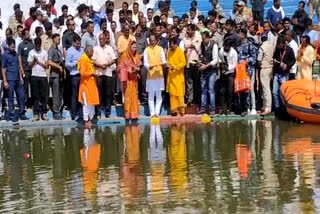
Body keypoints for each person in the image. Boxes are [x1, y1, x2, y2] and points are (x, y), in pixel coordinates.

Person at [2, 39, 28, 122]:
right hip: (10, 79)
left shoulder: (16, 54)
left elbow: (18, 66)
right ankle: (12, 114)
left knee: (21, 96)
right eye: (12, 47)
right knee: (11, 98)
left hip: (17, 78)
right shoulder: (5, 55)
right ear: (8, 46)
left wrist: (20, 77)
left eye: (14, 47)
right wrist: (5, 81)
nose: (13, 48)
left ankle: (21, 113)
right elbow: (3, 68)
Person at [92, 33, 117, 118]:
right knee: (99, 93)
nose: (101, 40)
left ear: (105, 39)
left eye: (102, 39)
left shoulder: (109, 48)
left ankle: (107, 112)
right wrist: (100, 66)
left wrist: (106, 65)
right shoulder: (95, 49)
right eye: (100, 39)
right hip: (99, 73)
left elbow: (114, 59)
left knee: (108, 93)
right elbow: (93, 61)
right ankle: (98, 112)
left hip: (108, 72)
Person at [236, 28, 258, 116]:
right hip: (240, 71)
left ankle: (253, 107)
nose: (238, 35)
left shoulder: (250, 45)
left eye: (240, 34)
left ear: (244, 35)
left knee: (250, 88)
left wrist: (246, 62)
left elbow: (254, 57)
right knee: (242, 89)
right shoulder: (238, 45)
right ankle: (245, 107)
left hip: (249, 69)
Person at [144, 35, 166, 117]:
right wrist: (148, 66)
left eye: (153, 40)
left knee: (159, 95)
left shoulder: (160, 49)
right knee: (151, 96)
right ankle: (152, 113)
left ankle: (157, 112)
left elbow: (164, 60)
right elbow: (145, 62)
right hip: (150, 75)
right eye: (151, 40)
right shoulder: (147, 50)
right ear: (149, 41)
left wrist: (164, 64)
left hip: (159, 74)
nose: (152, 42)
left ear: (156, 40)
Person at [118, 40, 141, 119]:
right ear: (129, 47)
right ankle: (128, 114)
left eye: (135, 47)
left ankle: (134, 114)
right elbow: (121, 67)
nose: (134, 49)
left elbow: (138, 64)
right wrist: (129, 70)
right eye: (133, 47)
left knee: (134, 96)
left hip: (134, 79)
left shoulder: (136, 55)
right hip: (127, 79)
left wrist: (136, 69)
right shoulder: (124, 56)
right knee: (128, 96)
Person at [78, 45, 99, 128]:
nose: (93, 52)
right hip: (85, 86)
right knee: (86, 104)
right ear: (87, 52)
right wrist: (92, 73)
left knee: (92, 103)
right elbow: (82, 73)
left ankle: (90, 119)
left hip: (91, 85)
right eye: (92, 51)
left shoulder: (89, 60)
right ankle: (86, 120)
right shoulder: (83, 60)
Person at [28, 37, 49, 121]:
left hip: (43, 76)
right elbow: (29, 65)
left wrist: (39, 62)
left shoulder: (44, 53)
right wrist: (34, 61)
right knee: (35, 96)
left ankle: (44, 113)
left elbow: (46, 66)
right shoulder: (31, 52)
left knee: (44, 95)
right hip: (34, 75)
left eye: (39, 45)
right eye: (36, 45)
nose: (38, 46)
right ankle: (36, 114)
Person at [273, 35, 296, 112]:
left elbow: (293, 60)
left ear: (283, 44)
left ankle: (285, 108)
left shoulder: (289, 50)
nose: (279, 47)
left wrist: (288, 66)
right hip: (277, 73)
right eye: (278, 45)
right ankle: (277, 108)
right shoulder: (277, 50)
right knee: (274, 92)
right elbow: (275, 57)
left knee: (283, 92)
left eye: (280, 45)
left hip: (285, 73)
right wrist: (275, 62)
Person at [198, 31, 219, 115]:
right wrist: (200, 62)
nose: (203, 41)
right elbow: (200, 55)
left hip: (212, 70)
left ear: (208, 38)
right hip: (204, 69)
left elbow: (215, 60)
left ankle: (212, 110)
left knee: (211, 90)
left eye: (204, 39)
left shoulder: (214, 45)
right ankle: (203, 109)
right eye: (202, 39)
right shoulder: (201, 45)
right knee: (203, 90)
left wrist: (206, 66)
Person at [65, 35, 84, 122]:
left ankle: (81, 113)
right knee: (74, 95)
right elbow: (67, 64)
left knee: (81, 95)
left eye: (79, 43)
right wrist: (75, 64)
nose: (78, 45)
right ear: (73, 43)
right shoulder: (69, 51)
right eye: (77, 43)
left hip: (81, 75)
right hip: (74, 75)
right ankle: (74, 114)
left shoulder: (81, 50)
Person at [167, 38, 186, 116]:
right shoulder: (169, 51)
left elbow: (183, 63)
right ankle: (174, 110)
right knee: (172, 94)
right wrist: (168, 65)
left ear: (176, 44)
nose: (172, 47)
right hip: (171, 76)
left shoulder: (180, 51)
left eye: (173, 45)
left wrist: (174, 67)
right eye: (170, 45)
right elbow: (168, 60)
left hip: (178, 76)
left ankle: (181, 110)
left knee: (179, 93)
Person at [183, 24, 202, 105]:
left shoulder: (198, 36)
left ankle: (197, 99)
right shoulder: (184, 38)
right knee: (189, 82)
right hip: (188, 63)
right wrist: (188, 48)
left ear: (193, 30)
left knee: (197, 82)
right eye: (187, 30)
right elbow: (184, 49)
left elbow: (200, 49)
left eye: (189, 30)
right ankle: (190, 99)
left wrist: (193, 46)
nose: (188, 31)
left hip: (196, 62)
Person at [218, 39, 238, 115]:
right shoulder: (221, 51)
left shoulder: (234, 53)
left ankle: (229, 109)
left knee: (230, 92)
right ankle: (221, 109)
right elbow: (220, 59)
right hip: (223, 73)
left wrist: (228, 68)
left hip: (230, 73)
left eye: (227, 47)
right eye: (225, 46)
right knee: (222, 91)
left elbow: (235, 64)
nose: (226, 48)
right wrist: (221, 65)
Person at [48, 33, 64, 120]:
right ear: (53, 39)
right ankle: (56, 112)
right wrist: (58, 67)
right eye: (58, 39)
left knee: (60, 94)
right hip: (54, 75)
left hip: (59, 74)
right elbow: (49, 62)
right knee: (56, 94)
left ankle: (59, 110)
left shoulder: (58, 50)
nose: (59, 40)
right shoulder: (51, 50)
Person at [257, 34, 274, 116]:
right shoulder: (271, 45)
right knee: (266, 89)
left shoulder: (262, 47)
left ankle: (267, 108)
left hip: (264, 68)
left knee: (266, 89)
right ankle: (264, 107)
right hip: (271, 68)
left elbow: (259, 60)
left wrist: (258, 65)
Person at [18, 29, 35, 107]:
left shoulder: (32, 44)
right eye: (27, 34)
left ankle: (32, 103)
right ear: (24, 36)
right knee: (25, 87)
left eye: (29, 34)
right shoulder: (21, 45)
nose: (28, 35)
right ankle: (25, 103)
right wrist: (21, 69)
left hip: (33, 69)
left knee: (33, 86)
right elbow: (19, 58)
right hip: (25, 69)